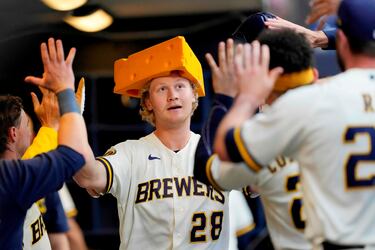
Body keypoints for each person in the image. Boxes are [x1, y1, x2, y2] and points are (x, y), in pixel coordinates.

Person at [211, 0, 375, 248]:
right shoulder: (326, 95)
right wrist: (326, 33)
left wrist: (235, 99)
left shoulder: (300, 107)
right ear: (314, 71)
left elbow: (222, 158)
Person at [72, 36, 230, 249]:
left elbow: (258, 183)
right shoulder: (129, 153)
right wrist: (70, 118)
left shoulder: (218, 149)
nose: (172, 96)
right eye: (161, 89)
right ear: (147, 101)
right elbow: (88, 176)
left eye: (180, 86)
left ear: (194, 94)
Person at [194, 25, 315, 249]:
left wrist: (227, 99)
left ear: (265, 85)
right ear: (314, 75)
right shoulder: (351, 108)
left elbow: (206, 167)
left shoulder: (261, 135)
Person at [0, 37, 95, 249]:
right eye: (28, 123)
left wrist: (50, 126)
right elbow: (74, 154)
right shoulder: (13, 178)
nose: (34, 130)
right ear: (13, 134)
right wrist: (65, 94)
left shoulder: (18, 171)